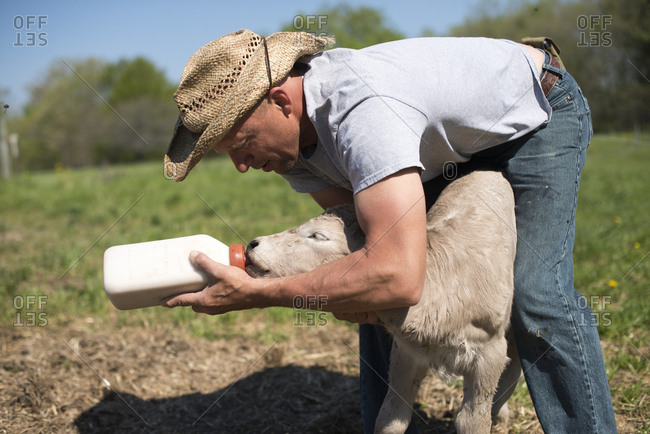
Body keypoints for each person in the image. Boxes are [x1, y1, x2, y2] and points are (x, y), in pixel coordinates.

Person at [162, 29, 617, 433]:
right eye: (229, 155)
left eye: (242, 145)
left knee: (537, 295)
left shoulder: (362, 113)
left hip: (534, 115)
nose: (242, 166)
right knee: (368, 275)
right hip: (450, 147)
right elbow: (356, 251)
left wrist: (259, 295)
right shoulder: (289, 149)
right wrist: (339, 293)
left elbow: (394, 273)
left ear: (281, 101)